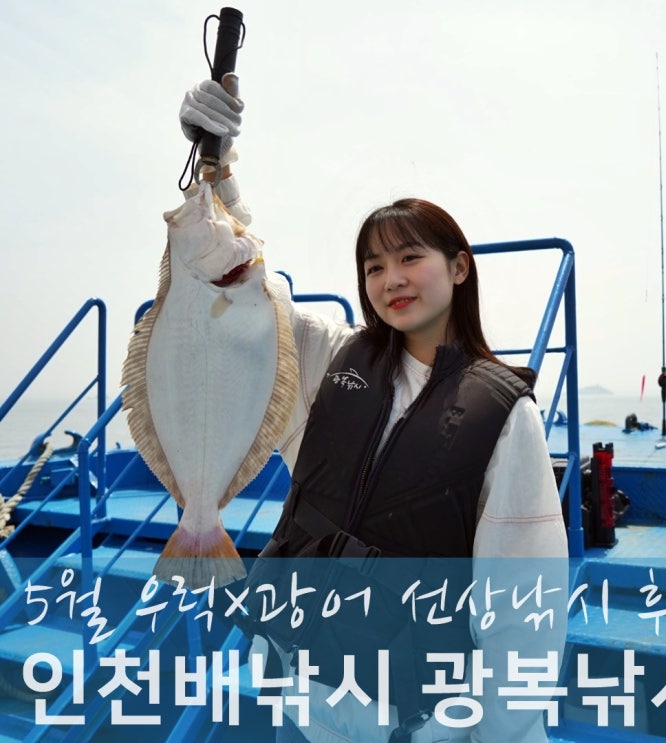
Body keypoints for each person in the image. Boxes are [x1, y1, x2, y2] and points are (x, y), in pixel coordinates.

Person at [179, 77, 568, 743]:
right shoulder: (332, 357)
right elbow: (245, 293)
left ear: (459, 267)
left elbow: (524, 608)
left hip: (415, 726)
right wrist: (213, 170)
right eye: (373, 266)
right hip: (304, 702)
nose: (392, 279)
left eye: (411, 257)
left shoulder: (506, 418)